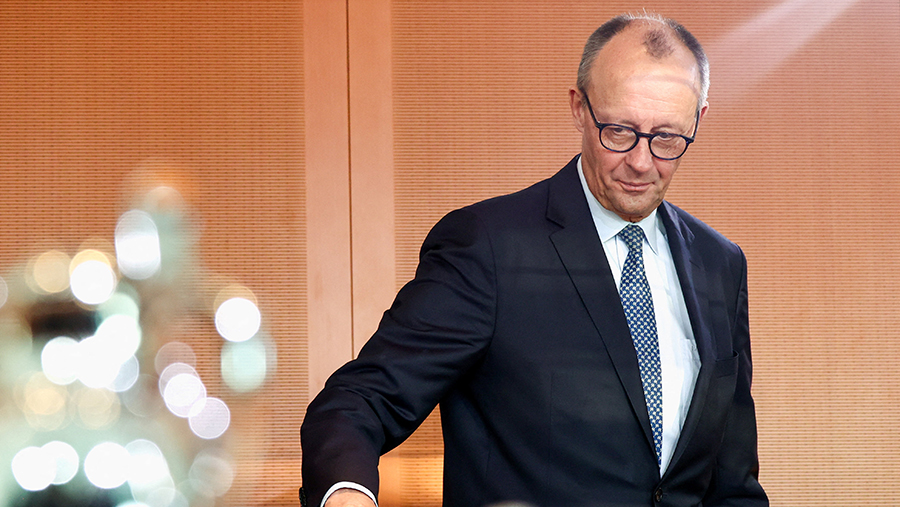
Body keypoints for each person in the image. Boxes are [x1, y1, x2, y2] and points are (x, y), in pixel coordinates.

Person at [300, 11, 768, 507]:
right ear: (579, 108)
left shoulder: (720, 264)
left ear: (698, 120)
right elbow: (358, 403)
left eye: (667, 138)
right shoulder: (487, 246)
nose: (640, 161)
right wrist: (346, 493)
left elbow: (733, 484)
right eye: (619, 131)